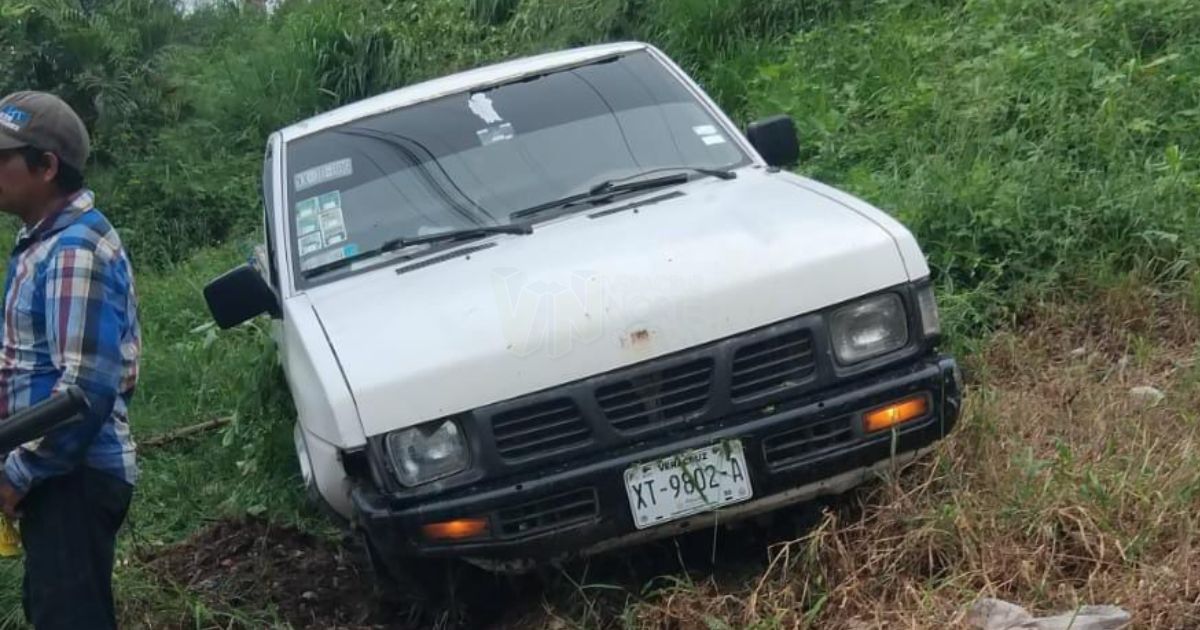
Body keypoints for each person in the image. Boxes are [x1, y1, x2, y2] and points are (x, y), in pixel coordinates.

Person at [0, 90, 140, 629]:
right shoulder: (42, 243)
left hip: (69, 477)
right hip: (58, 476)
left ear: (47, 166)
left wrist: (18, 473)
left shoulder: (74, 251)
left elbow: (84, 391)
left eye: (3, 158)